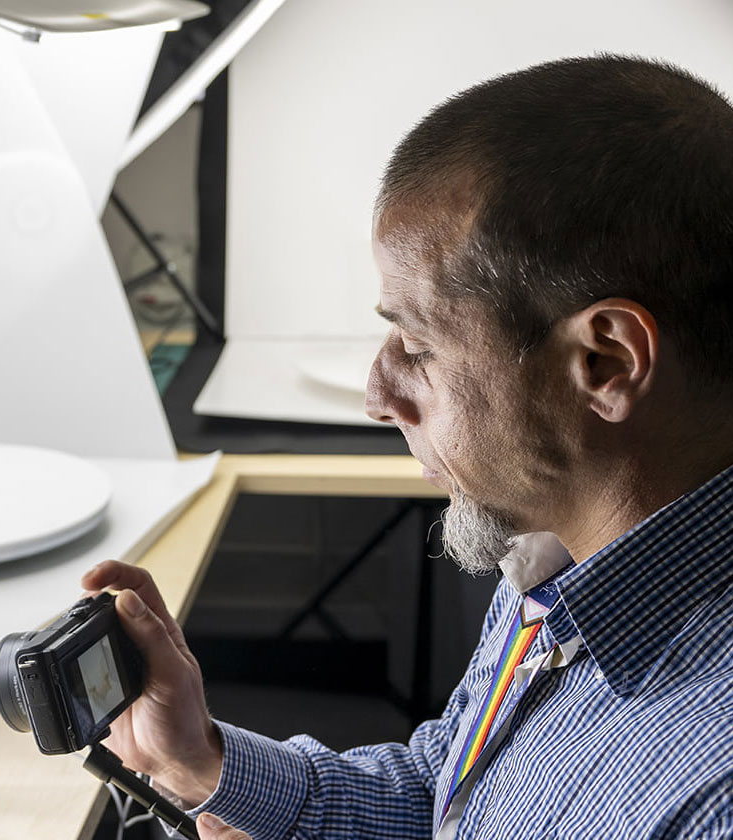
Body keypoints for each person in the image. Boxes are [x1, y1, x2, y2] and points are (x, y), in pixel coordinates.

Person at [83, 55, 733, 839]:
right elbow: (449, 796)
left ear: (607, 362)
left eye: (418, 346)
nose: (378, 395)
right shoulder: (561, 554)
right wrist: (201, 764)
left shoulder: (708, 799)